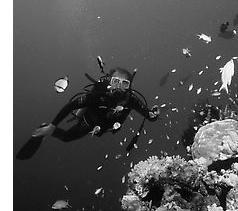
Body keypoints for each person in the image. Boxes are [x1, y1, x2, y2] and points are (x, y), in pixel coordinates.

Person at [16, 67, 160, 159]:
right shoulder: (98, 95)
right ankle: (45, 128)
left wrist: (154, 114)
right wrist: (53, 126)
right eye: (116, 82)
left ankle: (48, 129)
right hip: (89, 122)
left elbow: (149, 116)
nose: (119, 88)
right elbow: (71, 105)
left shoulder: (131, 100)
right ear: (110, 81)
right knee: (66, 137)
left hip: (108, 127)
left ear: (129, 86)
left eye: (124, 84)